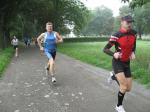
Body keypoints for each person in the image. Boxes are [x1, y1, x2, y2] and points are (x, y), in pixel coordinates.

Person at [103, 15, 137, 112]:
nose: (129, 24)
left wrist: (133, 52)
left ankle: (113, 76)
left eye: (131, 22)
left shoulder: (134, 33)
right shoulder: (116, 35)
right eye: (127, 22)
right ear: (122, 22)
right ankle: (119, 106)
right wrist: (114, 54)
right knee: (123, 86)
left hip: (127, 63)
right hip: (117, 62)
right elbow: (105, 49)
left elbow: (133, 45)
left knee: (128, 88)